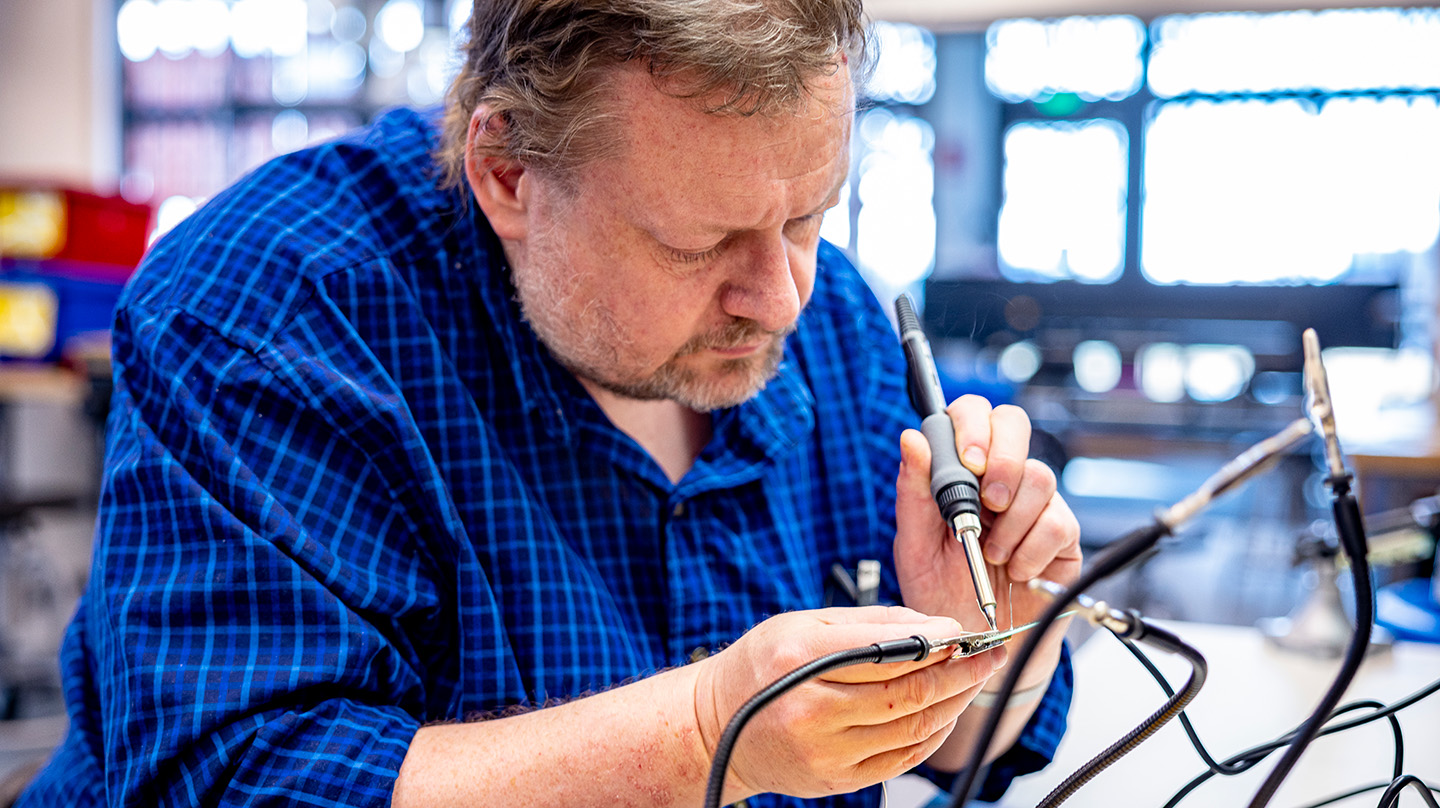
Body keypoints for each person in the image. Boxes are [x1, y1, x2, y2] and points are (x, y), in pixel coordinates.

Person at [20, 1, 1082, 806]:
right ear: (507, 175)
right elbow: (237, 777)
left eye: (810, 215)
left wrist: (986, 646)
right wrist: (704, 729)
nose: (782, 296)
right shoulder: (270, 309)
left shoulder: (839, 326)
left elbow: (967, 750)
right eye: (697, 242)